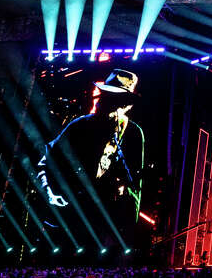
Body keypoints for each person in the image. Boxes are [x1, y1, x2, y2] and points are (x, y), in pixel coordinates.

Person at [36, 70, 147, 227]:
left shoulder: (133, 134)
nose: (104, 102)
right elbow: (45, 160)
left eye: (113, 99)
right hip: (69, 219)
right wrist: (49, 192)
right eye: (105, 96)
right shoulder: (81, 125)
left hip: (103, 224)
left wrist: (127, 224)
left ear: (126, 105)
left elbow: (136, 185)